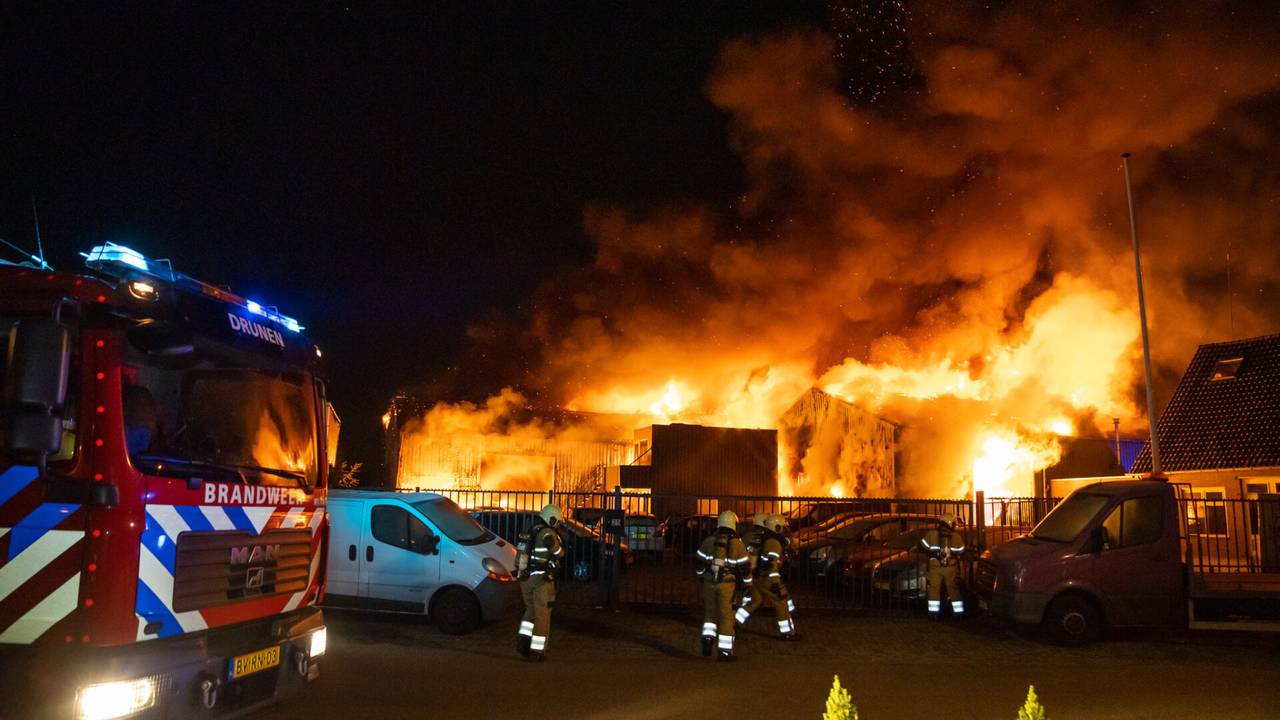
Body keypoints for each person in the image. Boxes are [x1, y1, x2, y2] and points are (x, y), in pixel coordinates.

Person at [695, 510, 750, 660]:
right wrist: (748, 585)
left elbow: (698, 564)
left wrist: (702, 577)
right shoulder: (738, 545)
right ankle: (725, 651)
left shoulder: (708, 541)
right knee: (726, 617)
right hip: (727, 586)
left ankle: (707, 640)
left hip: (709, 584)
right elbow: (745, 569)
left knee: (710, 614)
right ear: (733, 525)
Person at [515, 503, 564, 661]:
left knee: (530, 611)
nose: (557, 525)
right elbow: (558, 552)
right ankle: (537, 652)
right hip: (541, 579)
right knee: (543, 614)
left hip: (525, 578)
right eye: (557, 521)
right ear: (551, 519)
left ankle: (522, 644)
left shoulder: (529, 529)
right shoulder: (547, 533)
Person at [736, 513, 797, 640]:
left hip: (757, 577)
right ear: (777, 527)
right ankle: (787, 633)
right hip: (768, 579)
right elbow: (770, 564)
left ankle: (734, 623)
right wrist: (774, 582)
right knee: (781, 603)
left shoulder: (766, 539)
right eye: (783, 527)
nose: (785, 530)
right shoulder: (774, 542)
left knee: (755, 601)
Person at [920, 514, 967, 617]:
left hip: (935, 567)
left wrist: (933, 551)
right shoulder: (956, 537)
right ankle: (958, 613)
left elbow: (923, 545)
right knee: (953, 589)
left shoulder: (931, 534)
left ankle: (933, 613)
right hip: (951, 567)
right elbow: (962, 550)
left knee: (934, 589)